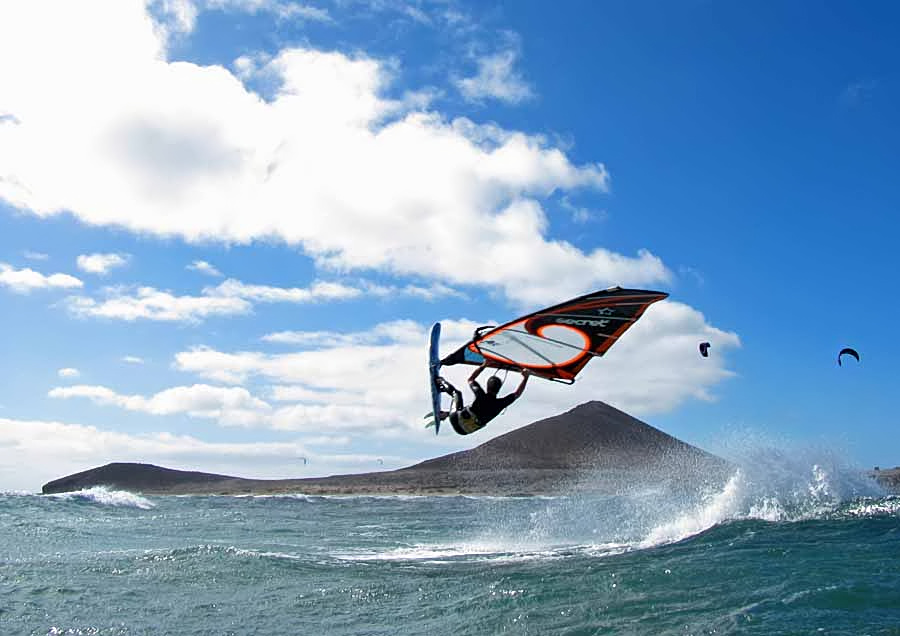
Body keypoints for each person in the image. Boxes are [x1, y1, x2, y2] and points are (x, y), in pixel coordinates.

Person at [434, 362, 529, 435]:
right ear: (499, 389)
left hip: (455, 419)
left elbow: (470, 379)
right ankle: (445, 414)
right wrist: (525, 377)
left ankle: (440, 381)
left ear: (487, 387)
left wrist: (484, 365)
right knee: (467, 413)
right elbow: (517, 394)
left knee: (457, 394)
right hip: (464, 432)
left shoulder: (481, 395)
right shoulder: (500, 404)